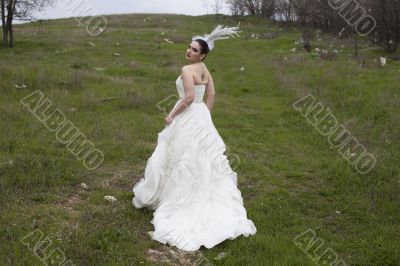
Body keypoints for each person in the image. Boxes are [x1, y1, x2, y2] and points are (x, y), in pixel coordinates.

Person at [132, 23, 257, 252]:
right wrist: (205, 115)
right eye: (188, 47)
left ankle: (177, 200)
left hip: (188, 115)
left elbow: (188, 97)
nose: (188, 51)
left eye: (194, 49)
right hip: (200, 116)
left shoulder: (186, 70)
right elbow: (211, 94)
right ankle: (197, 194)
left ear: (203, 54)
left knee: (181, 156)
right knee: (201, 158)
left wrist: (171, 115)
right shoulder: (204, 70)